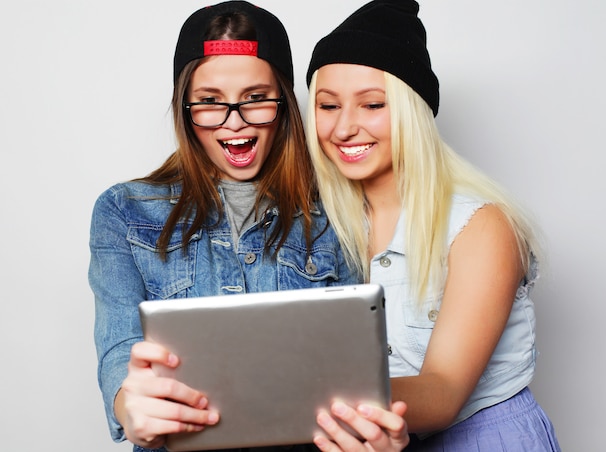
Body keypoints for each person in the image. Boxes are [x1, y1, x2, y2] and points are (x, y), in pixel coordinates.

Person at [88, 2, 408, 452]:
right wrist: (129, 406)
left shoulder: (341, 205)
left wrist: (374, 431)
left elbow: (365, 359)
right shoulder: (123, 211)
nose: (235, 122)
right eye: (211, 102)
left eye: (256, 98)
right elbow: (119, 351)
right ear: (185, 107)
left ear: (284, 102)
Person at [305, 0, 561, 450]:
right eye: (328, 106)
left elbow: (442, 392)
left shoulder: (481, 226)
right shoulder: (326, 229)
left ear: (411, 109)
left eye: (372, 104)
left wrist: (297, 399)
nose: (344, 128)